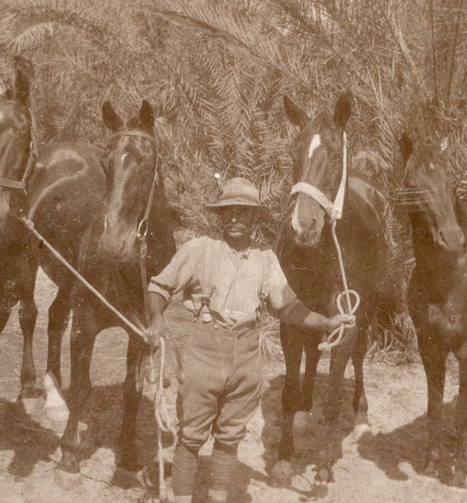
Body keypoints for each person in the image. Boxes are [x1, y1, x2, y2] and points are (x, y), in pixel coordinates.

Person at [144, 176, 354, 503]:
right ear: (220, 215)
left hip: (246, 358)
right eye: (228, 211)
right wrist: (157, 318)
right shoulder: (199, 250)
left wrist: (327, 322)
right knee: (191, 437)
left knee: (229, 438)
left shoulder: (265, 259)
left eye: (243, 211)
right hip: (204, 353)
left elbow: (289, 308)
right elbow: (158, 287)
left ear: (254, 217)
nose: (234, 218)